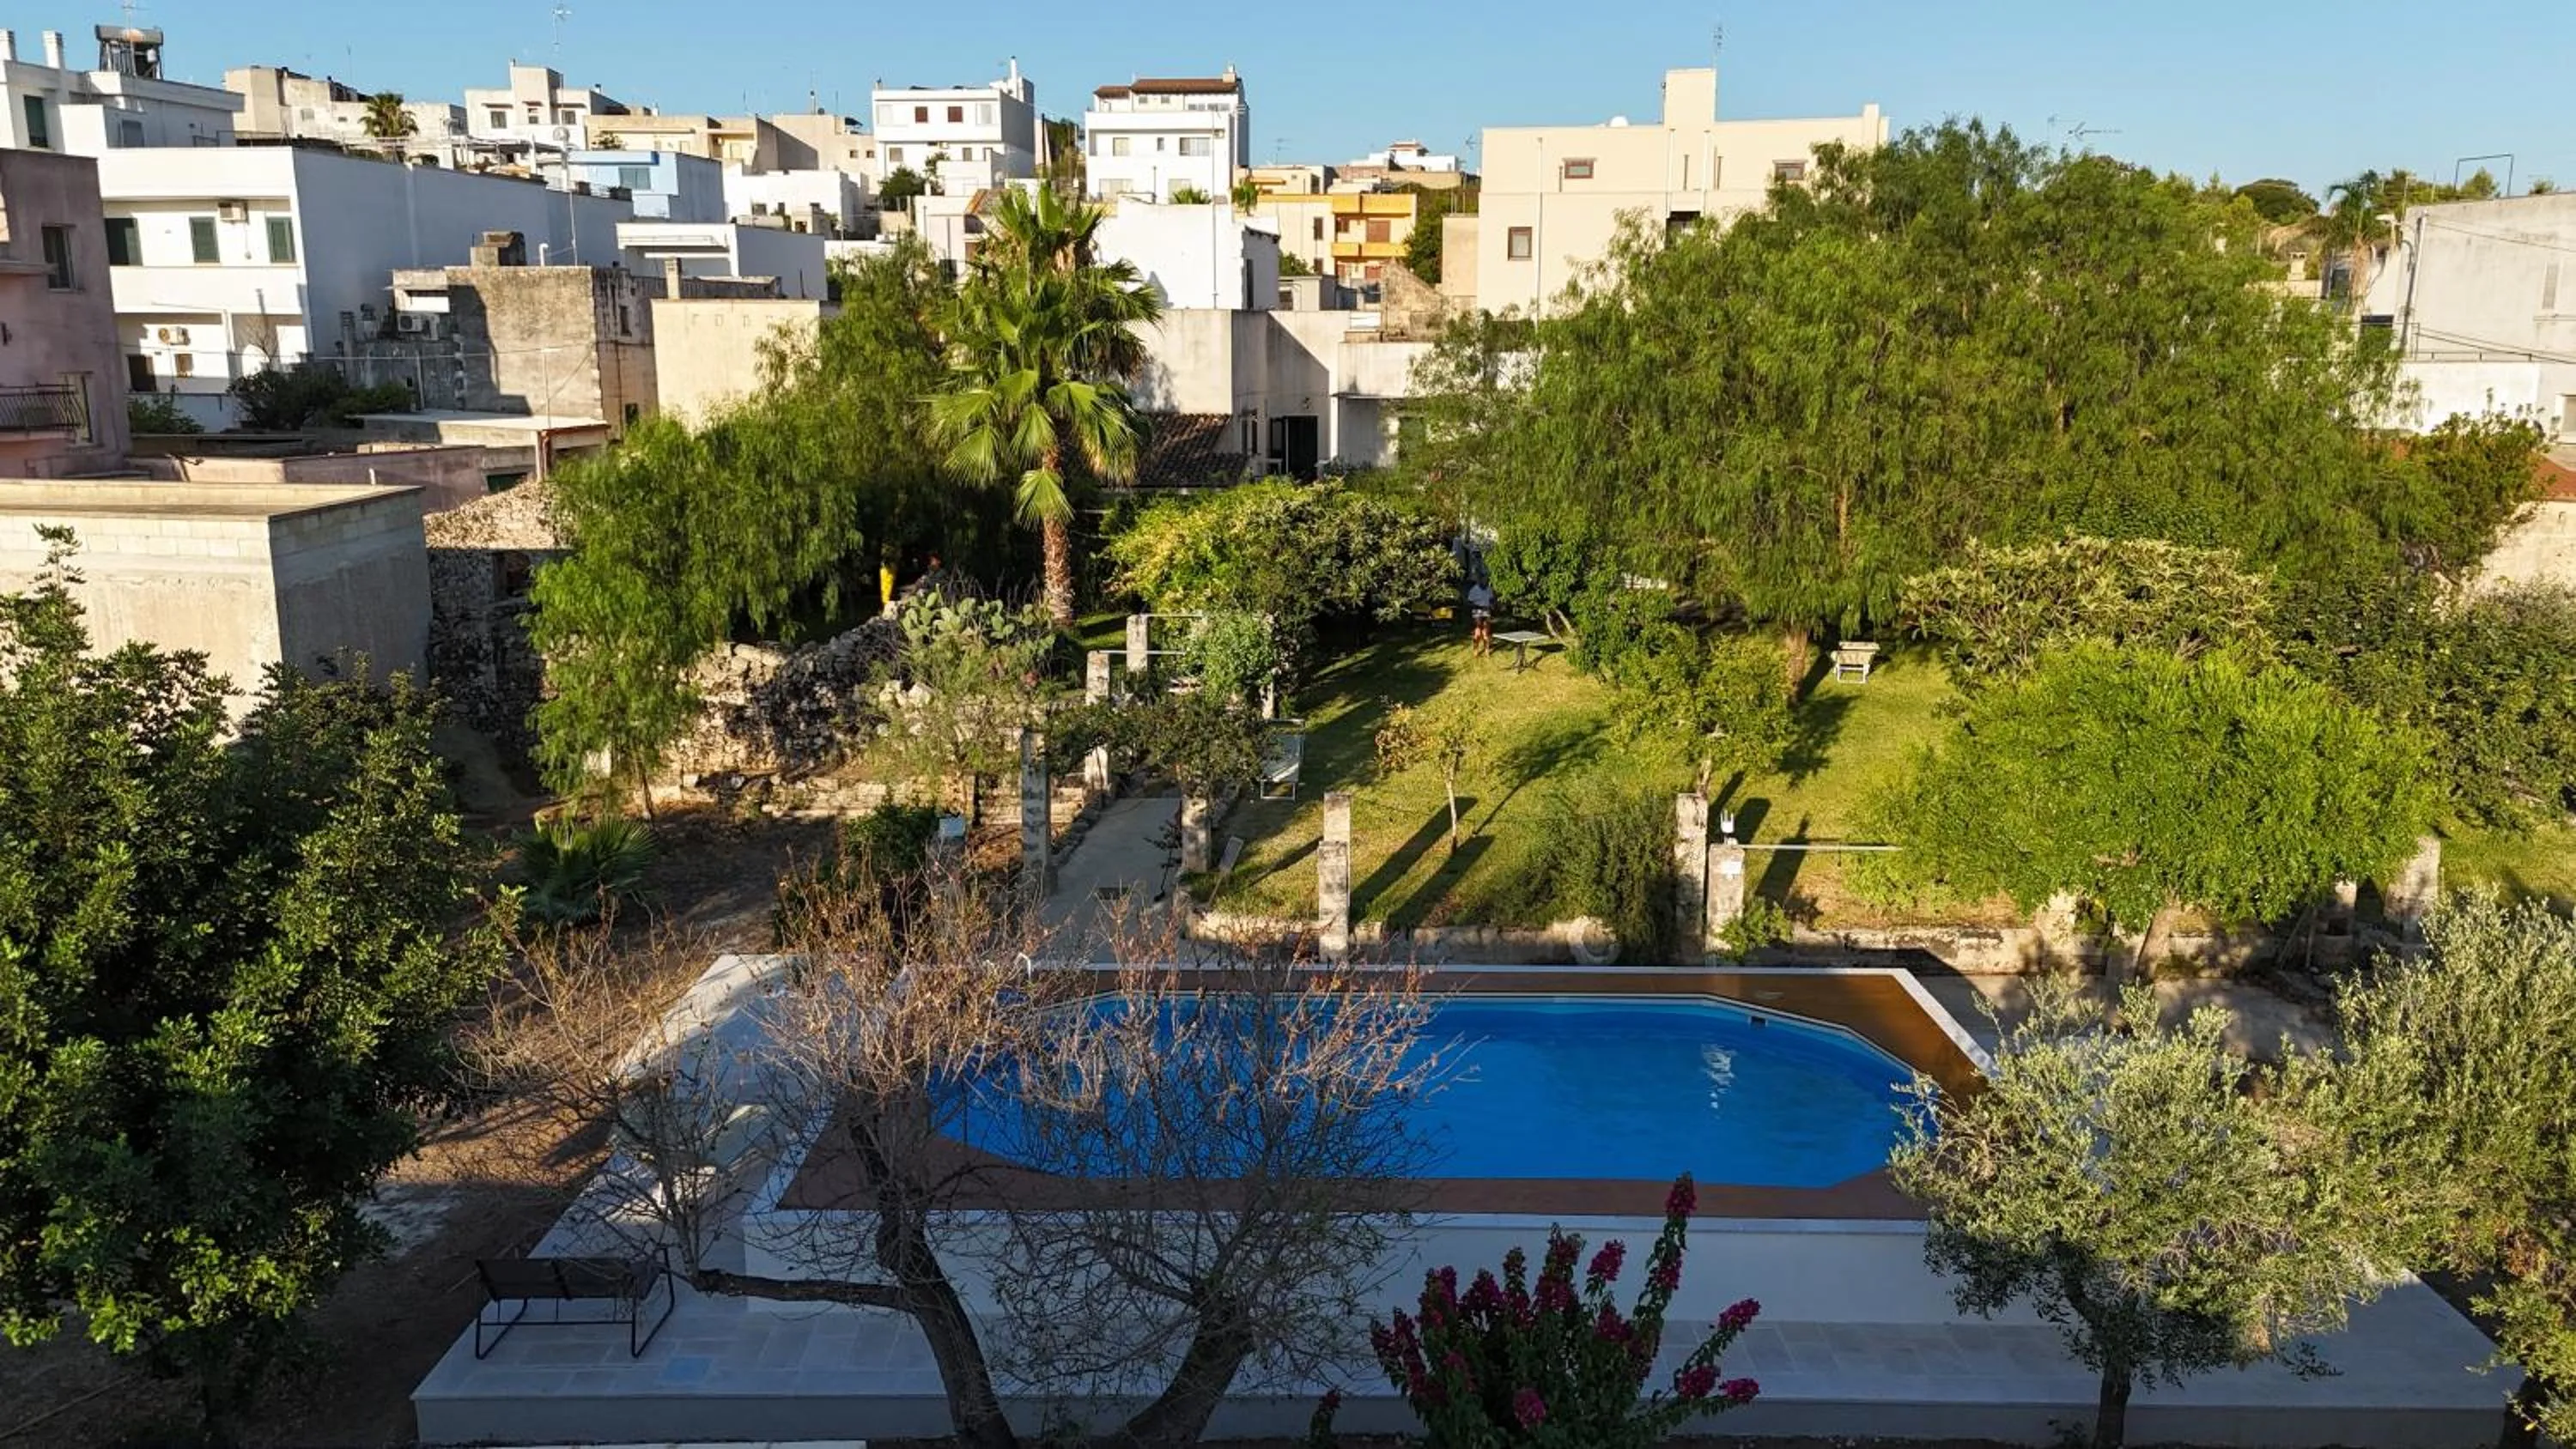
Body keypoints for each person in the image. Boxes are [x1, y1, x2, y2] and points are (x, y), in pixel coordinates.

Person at [1467, 579, 1496, 657]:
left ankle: (1487, 650)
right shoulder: (1474, 589)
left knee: (1486, 632)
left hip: (1487, 611)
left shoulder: (1489, 589)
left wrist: (1492, 607)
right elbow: (1469, 601)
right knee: (1478, 632)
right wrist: (1477, 605)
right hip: (1477, 612)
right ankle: (1476, 650)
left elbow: (1492, 600)